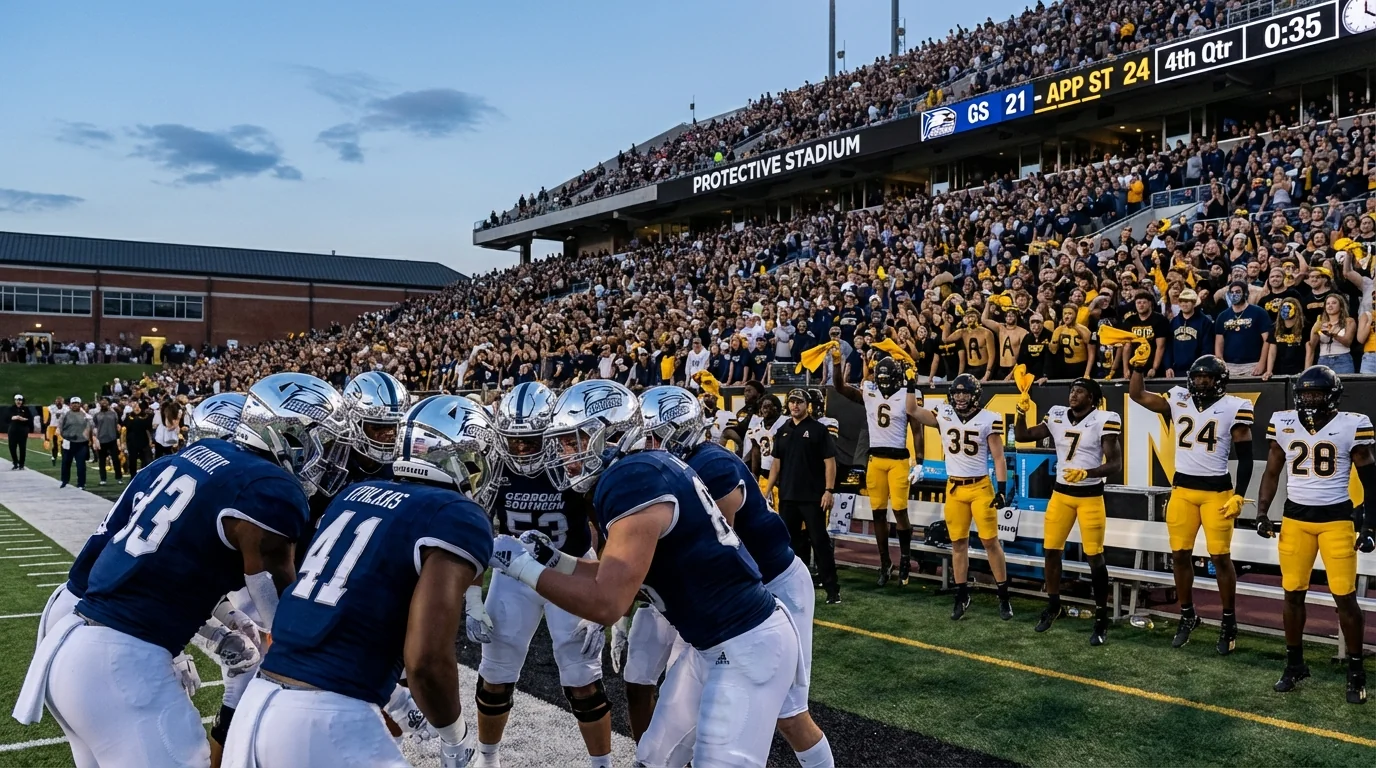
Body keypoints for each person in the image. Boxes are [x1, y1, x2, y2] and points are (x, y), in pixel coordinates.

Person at [14, 372, 339, 768]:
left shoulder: (184, 459)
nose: (328, 453)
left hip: (73, 640)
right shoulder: (271, 489)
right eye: (324, 439)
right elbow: (279, 612)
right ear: (288, 435)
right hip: (123, 661)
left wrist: (224, 618)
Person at [489, 380, 802, 768]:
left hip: (746, 644)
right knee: (652, 758)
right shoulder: (640, 469)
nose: (563, 453)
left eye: (572, 441)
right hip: (712, 644)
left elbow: (608, 602)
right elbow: (612, 574)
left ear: (611, 434)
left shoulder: (631, 480)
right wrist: (555, 560)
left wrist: (520, 567)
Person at [223, 395, 495, 768]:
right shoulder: (455, 514)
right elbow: (426, 661)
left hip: (257, 706)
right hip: (327, 722)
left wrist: (397, 701)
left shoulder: (352, 495)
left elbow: (358, 613)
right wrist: (456, 740)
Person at [636, 386, 833, 768]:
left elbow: (717, 550)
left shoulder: (710, 464)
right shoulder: (675, 468)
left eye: (653, 434)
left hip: (772, 585)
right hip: (733, 596)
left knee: (790, 715)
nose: (646, 444)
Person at [472, 382, 611, 768]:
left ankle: (603, 764)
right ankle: (488, 759)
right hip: (513, 573)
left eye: (530, 440)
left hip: (570, 569)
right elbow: (476, 527)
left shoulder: (573, 460)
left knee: (583, 678)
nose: (520, 450)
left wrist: (602, 592)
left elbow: (606, 525)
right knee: (495, 672)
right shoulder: (495, 465)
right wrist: (471, 597)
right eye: (513, 441)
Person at [1255, 366, 1375, 704]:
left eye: (1317, 394)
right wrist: (1262, 512)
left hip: (1336, 520)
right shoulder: (1283, 421)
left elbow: (1371, 478)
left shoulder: (1352, 423)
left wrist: (1370, 525)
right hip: (1295, 519)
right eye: (1305, 393)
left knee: (1344, 597)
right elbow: (1272, 469)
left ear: (1332, 396)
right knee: (1292, 594)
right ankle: (1295, 664)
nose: (1310, 399)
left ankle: (1355, 671)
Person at [1129, 356, 1255, 653]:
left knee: (1221, 558)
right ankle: (1187, 615)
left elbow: (1246, 456)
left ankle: (1228, 621)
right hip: (1183, 489)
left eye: (1206, 377)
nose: (1199, 382)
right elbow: (1137, 395)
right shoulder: (1177, 397)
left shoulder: (1234, 406)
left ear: (1219, 380)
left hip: (1217, 492)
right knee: (1179, 555)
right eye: (1196, 376)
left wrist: (1240, 493)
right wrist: (1137, 368)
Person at [1014, 379, 1122, 645]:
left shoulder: (1104, 419)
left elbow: (1115, 464)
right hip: (1061, 494)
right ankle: (1054, 605)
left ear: (1093, 398)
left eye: (1080, 391)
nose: (1073, 394)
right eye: (1072, 390)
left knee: (1095, 557)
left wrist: (1088, 472)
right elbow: (1023, 436)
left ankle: (1101, 617)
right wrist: (1019, 413)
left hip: (1089, 496)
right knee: (1051, 550)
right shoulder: (1058, 414)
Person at [909, 374, 1014, 620]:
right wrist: (911, 383)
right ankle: (961, 594)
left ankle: (1004, 596)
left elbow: (998, 457)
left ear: (975, 395)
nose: (960, 397)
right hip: (954, 488)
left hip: (980, 488)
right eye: (956, 392)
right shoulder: (944, 414)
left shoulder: (989, 418)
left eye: (964, 392)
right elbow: (912, 409)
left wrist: (1001, 488)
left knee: (990, 542)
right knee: (958, 544)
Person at [833, 354, 925, 587]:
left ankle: (905, 558)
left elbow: (916, 429)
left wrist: (921, 460)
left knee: (900, 510)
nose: (883, 382)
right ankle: (885, 563)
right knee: (878, 514)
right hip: (875, 459)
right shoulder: (869, 393)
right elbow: (840, 388)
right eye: (880, 377)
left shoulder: (907, 395)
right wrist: (836, 363)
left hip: (898, 460)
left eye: (887, 378)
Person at [764, 388, 841, 604]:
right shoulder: (783, 430)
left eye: (799, 402)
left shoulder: (818, 430)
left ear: (807, 404)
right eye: (791, 402)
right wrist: (767, 490)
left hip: (813, 497)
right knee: (789, 544)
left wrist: (829, 490)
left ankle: (832, 589)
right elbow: (776, 464)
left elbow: (830, 461)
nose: (794, 406)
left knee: (820, 542)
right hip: (788, 496)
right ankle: (792, 588)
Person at [1216, 280, 1273, 378]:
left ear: (1245, 293)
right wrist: (1221, 364)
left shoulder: (1259, 312)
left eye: (1238, 292)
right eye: (1232, 292)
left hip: (1253, 365)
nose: (1234, 295)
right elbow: (1219, 342)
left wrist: (1262, 363)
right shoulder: (1222, 316)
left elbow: (1267, 340)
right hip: (1229, 365)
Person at [1306, 294, 1356, 373]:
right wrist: (1314, 330)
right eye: (1328, 303)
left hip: (1342, 359)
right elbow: (1312, 345)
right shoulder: (1320, 323)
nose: (1330, 305)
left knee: (1345, 384)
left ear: (1341, 306)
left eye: (1334, 303)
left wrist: (1334, 335)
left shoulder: (1349, 321)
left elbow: (1348, 342)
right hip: (1323, 360)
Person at [58, 397, 93, 490]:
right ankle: (64, 481)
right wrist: (66, 436)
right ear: (70, 404)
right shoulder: (65, 414)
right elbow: (60, 427)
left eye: (77, 403)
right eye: (73, 403)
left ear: (80, 404)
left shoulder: (85, 415)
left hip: (81, 443)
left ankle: (81, 483)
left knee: (81, 464)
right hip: (68, 442)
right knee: (66, 463)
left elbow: (91, 426)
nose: (75, 405)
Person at [91, 397, 122, 486]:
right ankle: (103, 479)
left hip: (112, 439)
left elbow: (117, 425)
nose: (104, 403)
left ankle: (119, 478)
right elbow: (94, 427)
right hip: (101, 440)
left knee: (116, 460)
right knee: (102, 461)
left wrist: (118, 438)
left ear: (108, 404)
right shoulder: (97, 415)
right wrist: (95, 439)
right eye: (102, 402)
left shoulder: (113, 414)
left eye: (105, 402)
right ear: (100, 404)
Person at [124, 400, 155, 475]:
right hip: (132, 442)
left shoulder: (147, 416)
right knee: (132, 459)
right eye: (135, 407)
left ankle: (146, 474)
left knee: (146, 459)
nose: (137, 408)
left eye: (138, 407)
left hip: (144, 441)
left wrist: (150, 440)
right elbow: (125, 429)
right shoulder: (128, 417)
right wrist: (123, 443)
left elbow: (149, 429)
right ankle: (133, 476)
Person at [7, 393, 29, 469]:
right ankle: (15, 462)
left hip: (22, 431)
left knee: (22, 448)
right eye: (16, 400)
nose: (18, 401)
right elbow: (9, 417)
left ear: (22, 401)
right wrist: (16, 417)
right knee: (12, 447)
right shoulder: (12, 408)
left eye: (19, 400)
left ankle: (22, 464)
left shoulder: (26, 409)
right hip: (13, 431)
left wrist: (22, 419)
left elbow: (29, 419)